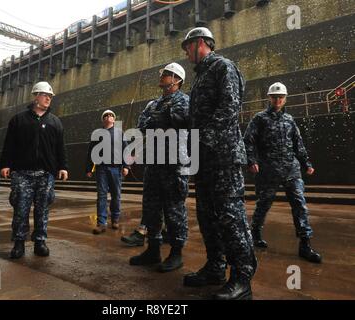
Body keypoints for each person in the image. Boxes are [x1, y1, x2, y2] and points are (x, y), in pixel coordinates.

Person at [181, 27, 256, 300]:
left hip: (223, 157)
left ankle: (241, 277)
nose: (186, 53)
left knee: (230, 217)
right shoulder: (200, 77)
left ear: (200, 43)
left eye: (187, 47)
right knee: (207, 217)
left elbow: (229, 107)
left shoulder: (223, 67)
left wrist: (205, 142)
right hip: (204, 159)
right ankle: (215, 267)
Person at [244, 82, 322, 263]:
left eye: (281, 97)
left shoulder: (289, 120)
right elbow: (248, 140)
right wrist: (251, 160)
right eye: (275, 97)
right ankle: (255, 233)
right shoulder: (259, 119)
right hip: (269, 170)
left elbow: (298, 144)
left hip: (291, 170)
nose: (278, 100)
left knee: (299, 205)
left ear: (285, 99)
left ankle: (305, 244)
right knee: (263, 204)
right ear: (269, 98)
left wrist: (306, 163)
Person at [129, 63, 190, 273]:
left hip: (174, 164)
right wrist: (163, 120)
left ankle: (176, 253)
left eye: (165, 74)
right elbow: (142, 125)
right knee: (151, 208)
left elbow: (183, 124)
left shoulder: (185, 101)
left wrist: (163, 120)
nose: (161, 76)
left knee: (174, 209)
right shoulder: (153, 104)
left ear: (176, 79)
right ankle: (153, 250)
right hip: (154, 163)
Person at [0, 81, 68, 259]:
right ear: (36, 95)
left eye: (50, 96)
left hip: (46, 174)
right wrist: (5, 164)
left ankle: (40, 241)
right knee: (21, 209)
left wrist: (63, 167)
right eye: (45, 95)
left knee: (42, 209)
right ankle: (19, 243)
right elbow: (9, 144)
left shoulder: (55, 122)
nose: (48, 98)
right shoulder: (19, 120)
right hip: (22, 172)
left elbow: (60, 147)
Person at [86, 110, 130, 234]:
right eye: (106, 115)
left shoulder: (120, 133)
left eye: (111, 115)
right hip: (101, 169)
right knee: (102, 195)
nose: (108, 117)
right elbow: (91, 152)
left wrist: (126, 166)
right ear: (103, 120)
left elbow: (125, 150)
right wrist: (89, 168)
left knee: (116, 194)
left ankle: (115, 219)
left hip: (116, 168)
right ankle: (101, 223)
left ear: (114, 119)